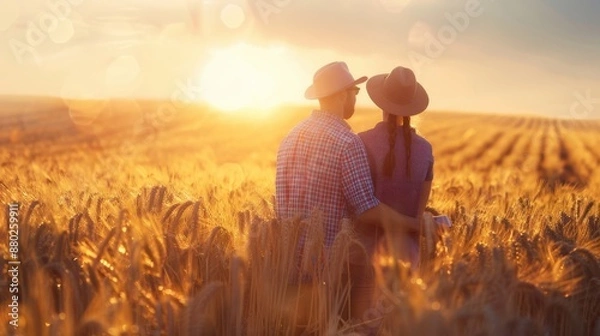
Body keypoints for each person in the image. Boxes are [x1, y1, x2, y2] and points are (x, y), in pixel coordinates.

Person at [275, 61, 420, 324]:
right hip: (330, 274)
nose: (355, 98)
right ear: (343, 94)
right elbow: (367, 210)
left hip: (286, 269)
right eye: (355, 92)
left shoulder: (289, 137)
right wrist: (415, 225)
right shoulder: (347, 142)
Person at [358, 66, 434, 269]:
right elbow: (418, 215)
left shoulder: (362, 142)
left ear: (381, 102)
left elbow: (358, 206)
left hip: (367, 254)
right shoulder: (425, 150)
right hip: (409, 257)